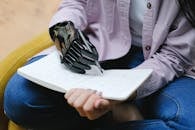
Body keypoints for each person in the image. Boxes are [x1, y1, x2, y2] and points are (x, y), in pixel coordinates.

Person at [4, 0, 195, 130]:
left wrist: (118, 92)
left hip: (171, 68)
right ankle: (116, 116)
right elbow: (75, 3)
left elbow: (175, 57)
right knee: (19, 99)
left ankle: (117, 116)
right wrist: (64, 31)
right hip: (100, 48)